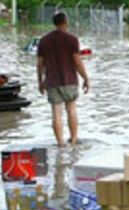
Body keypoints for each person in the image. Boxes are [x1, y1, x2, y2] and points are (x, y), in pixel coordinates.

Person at [37, 11, 90, 146]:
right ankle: (73, 140)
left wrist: (40, 81)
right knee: (71, 109)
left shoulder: (44, 40)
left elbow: (40, 64)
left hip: (52, 81)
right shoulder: (72, 39)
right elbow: (77, 62)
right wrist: (85, 78)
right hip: (70, 80)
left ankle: (60, 143)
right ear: (66, 22)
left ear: (54, 23)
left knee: (56, 112)